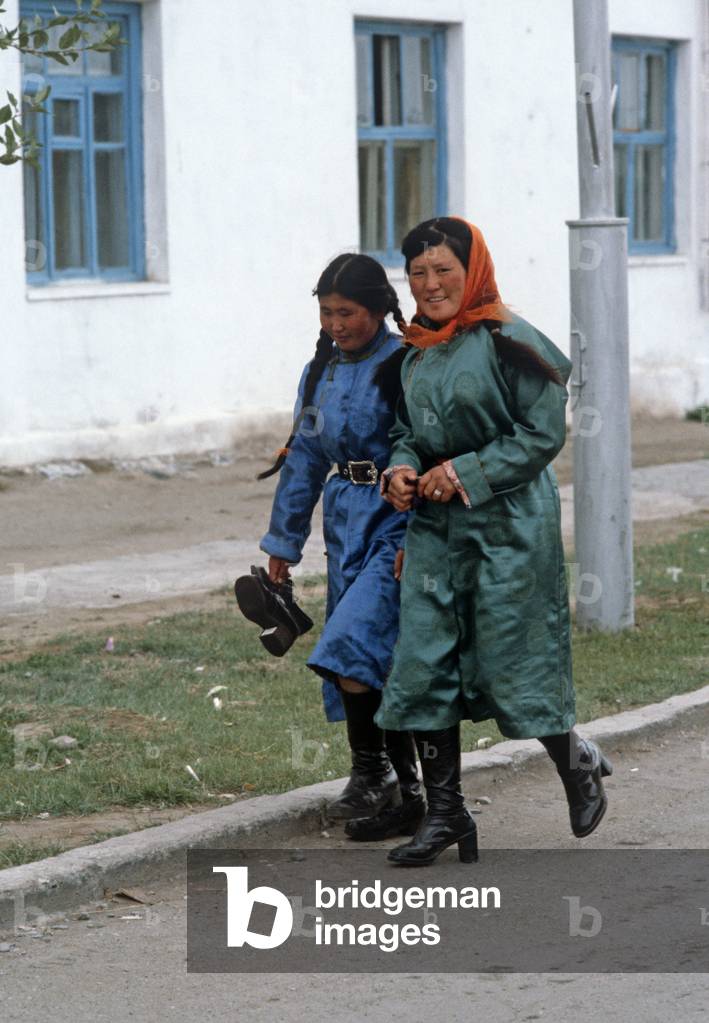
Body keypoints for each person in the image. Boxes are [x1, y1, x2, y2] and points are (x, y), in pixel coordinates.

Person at [378, 216, 612, 867]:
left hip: (508, 526)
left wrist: (464, 473)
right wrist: (401, 468)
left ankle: (575, 762)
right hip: (435, 531)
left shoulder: (509, 340)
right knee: (423, 665)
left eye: (443, 270)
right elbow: (405, 430)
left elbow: (542, 433)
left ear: (472, 269)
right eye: (417, 273)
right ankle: (446, 812)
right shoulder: (418, 350)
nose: (430, 285)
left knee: (514, 662)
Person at [258, 253, 425, 837]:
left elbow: (425, 446)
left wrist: (419, 534)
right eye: (327, 312)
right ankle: (403, 790)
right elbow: (304, 459)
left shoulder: (407, 363)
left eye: (347, 312)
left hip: (399, 520)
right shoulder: (320, 371)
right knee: (368, 655)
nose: (335, 324)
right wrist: (283, 544)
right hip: (344, 523)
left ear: (377, 308)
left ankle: (374, 773)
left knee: (352, 642)